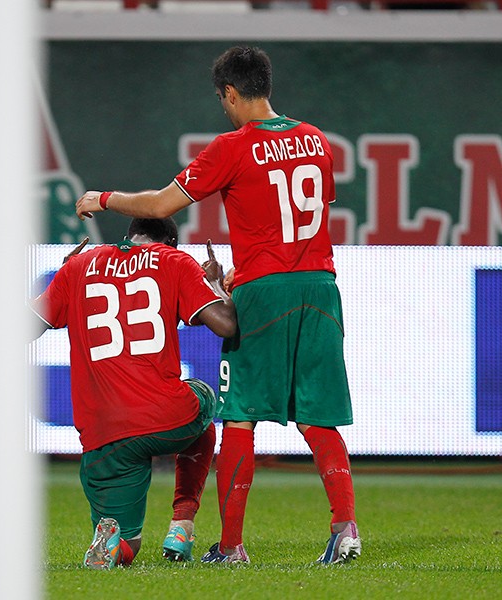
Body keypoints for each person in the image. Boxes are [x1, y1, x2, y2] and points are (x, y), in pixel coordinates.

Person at [75, 46, 361, 565]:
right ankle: (345, 530)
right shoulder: (317, 140)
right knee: (317, 415)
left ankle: (231, 546)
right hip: (320, 286)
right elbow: (299, 223)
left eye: (222, 99)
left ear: (230, 93)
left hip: (264, 295)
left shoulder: (233, 147)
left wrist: (106, 198)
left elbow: (160, 205)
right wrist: (241, 271)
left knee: (240, 418)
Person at [31, 217, 236, 569]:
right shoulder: (173, 260)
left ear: (130, 236)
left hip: (102, 434)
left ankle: (111, 544)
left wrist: (64, 276)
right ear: (168, 242)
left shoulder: (79, 267)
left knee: (128, 544)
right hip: (167, 414)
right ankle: (182, 523)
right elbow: (226, 325)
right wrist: (216, 283)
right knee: (203, 398)